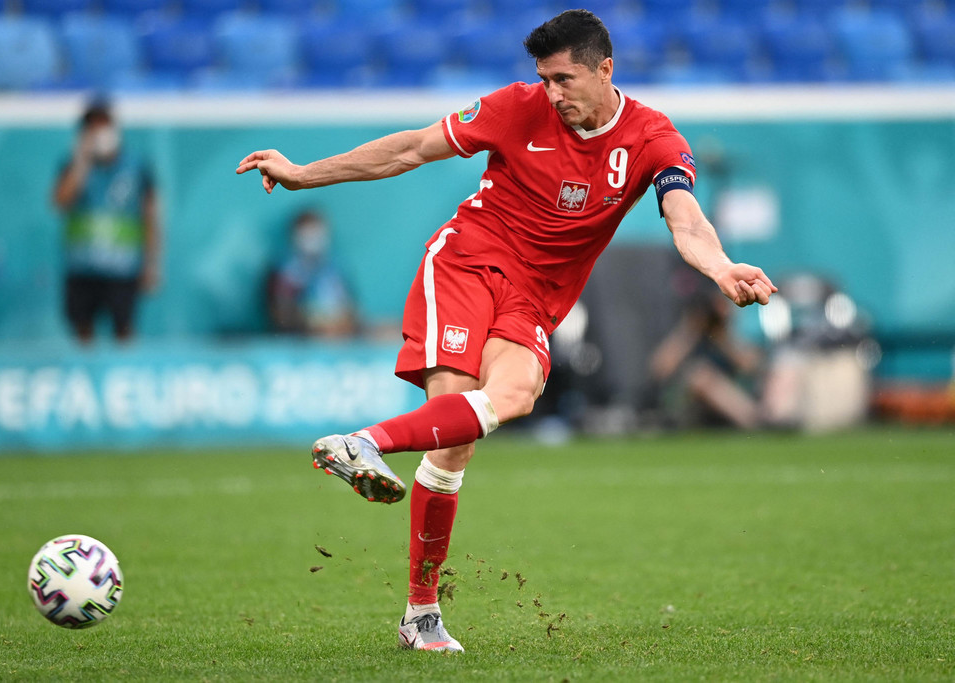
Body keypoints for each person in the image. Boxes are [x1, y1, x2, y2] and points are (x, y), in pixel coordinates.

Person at [237, 9, 777, 653]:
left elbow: (685, 219)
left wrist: (720, 267)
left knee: (509, 400)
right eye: (545, 79)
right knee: (453, 426)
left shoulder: (652, 138)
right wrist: (304, 173)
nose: (553, 93)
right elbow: (411, 148)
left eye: (563, 79)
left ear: (605, 69)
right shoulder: (517, 108)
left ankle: (364, 450)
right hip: (468, 262)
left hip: (535, 299)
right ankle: (420, 609)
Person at [53, 98, 160, 343]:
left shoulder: (137, 166)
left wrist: (151, 263)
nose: (100, 135)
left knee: (124, 333)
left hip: (123, 268)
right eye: (93, 129)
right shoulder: (72, 165)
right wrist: (82, 163)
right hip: (82, 267)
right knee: (82, 333)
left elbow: (150, 216)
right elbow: (60, 202)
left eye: (104, 127)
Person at [650, 285, 763, 429]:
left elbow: (749, 366)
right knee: (701, 376)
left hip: (733, 399)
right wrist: (691, 330)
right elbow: (660, 369)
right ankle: (757, 422)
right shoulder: (689, 332)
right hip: (688, 404)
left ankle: (756, 420)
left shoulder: (734, 331)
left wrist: (720, 336)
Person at [266, 209, 358, 337]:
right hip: (302, 337)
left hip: (337, 334)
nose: (313, 240)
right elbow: (279, 315)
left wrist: (342, 324)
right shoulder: (284, 273)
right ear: (294, 237)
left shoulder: (333, 269)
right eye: (307, 235)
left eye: (316, 234)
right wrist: (310, 324)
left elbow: (351, 308)